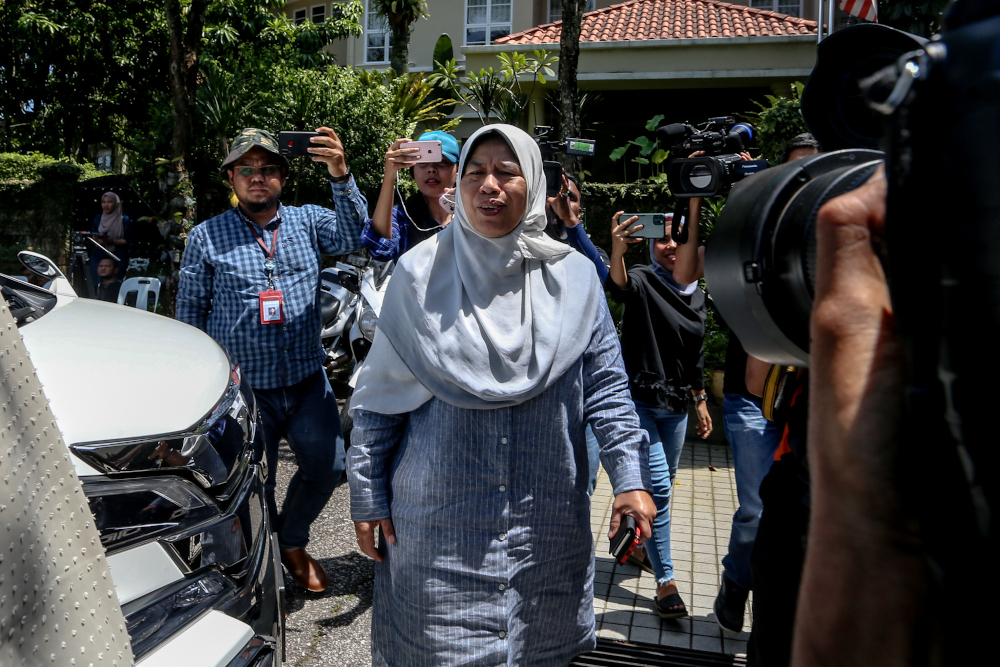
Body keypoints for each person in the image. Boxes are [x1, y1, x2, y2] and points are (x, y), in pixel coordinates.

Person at [347, 124, 656, 666]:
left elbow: (608, 389)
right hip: (438, 533)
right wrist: (367, 495)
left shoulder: (576, 280)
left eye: (507, 171)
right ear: (458, 186)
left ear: (532, 182)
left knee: (539, 652)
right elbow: (378, 400)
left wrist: (630, 479)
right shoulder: (418, 277)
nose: (490, 185)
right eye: (475, 172)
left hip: (547, 525)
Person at [177, 126, 368, 593]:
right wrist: (194, 393)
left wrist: (339, 173)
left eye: (266, 169)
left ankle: (291, 541)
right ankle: (257, 563)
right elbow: (189, 315)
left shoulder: (307, 221)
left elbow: (354, 234)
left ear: (282, 175)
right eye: (246, 169)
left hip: (306, 381)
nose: (256, 177)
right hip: (245, 389)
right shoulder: (207, 236)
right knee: (249, 483)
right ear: (231, 178)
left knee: (329, 467)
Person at [672, 133, 820, 633]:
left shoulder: (838, 235)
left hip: (812, 397)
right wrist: (694, 199)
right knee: (757, 508)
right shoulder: (754, 231)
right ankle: (738, 581)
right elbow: (686, 273)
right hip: (750, 396)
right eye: (794, 173)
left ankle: (767, 593)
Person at [595, 207, 713, 619]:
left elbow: (694, 351)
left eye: (678, 239)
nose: (669, 246)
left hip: (677, 405)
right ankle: (667, 581)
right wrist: (618, 249)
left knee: (664, 482)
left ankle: (641, 545)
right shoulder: (643, 278)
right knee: (659, 486)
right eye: (662, 238)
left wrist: (699, 399)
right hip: (639, 402)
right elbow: (620, 287)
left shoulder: (696, 291)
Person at [546, 172, 611, 495]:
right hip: (544, 393)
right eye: (555, 194)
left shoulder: (590, 252)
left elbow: (601, 279)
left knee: (583, 484)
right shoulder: (526, 250)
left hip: (584, 391)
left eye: (570, 197)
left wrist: (571, 225)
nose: (560, 201)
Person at [361, 130, 460, 260]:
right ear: (413, 171)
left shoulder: (472, 214)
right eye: (422, 163)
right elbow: (380, 249)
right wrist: (389, 176)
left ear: (458, 170)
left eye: (442, 162)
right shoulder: (402, 217)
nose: (431, 169)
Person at [91, 191, 131, 288]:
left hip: (117, 255)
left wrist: (111, 241)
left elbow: (128, 240)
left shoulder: (124, 220)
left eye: (109, 202)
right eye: (103, 202)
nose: (106, 205)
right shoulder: (98, 219)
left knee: (114, 286)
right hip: (99, 254)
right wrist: (97, 240)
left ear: (116, 203)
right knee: (97, 285)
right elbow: (93, 235)